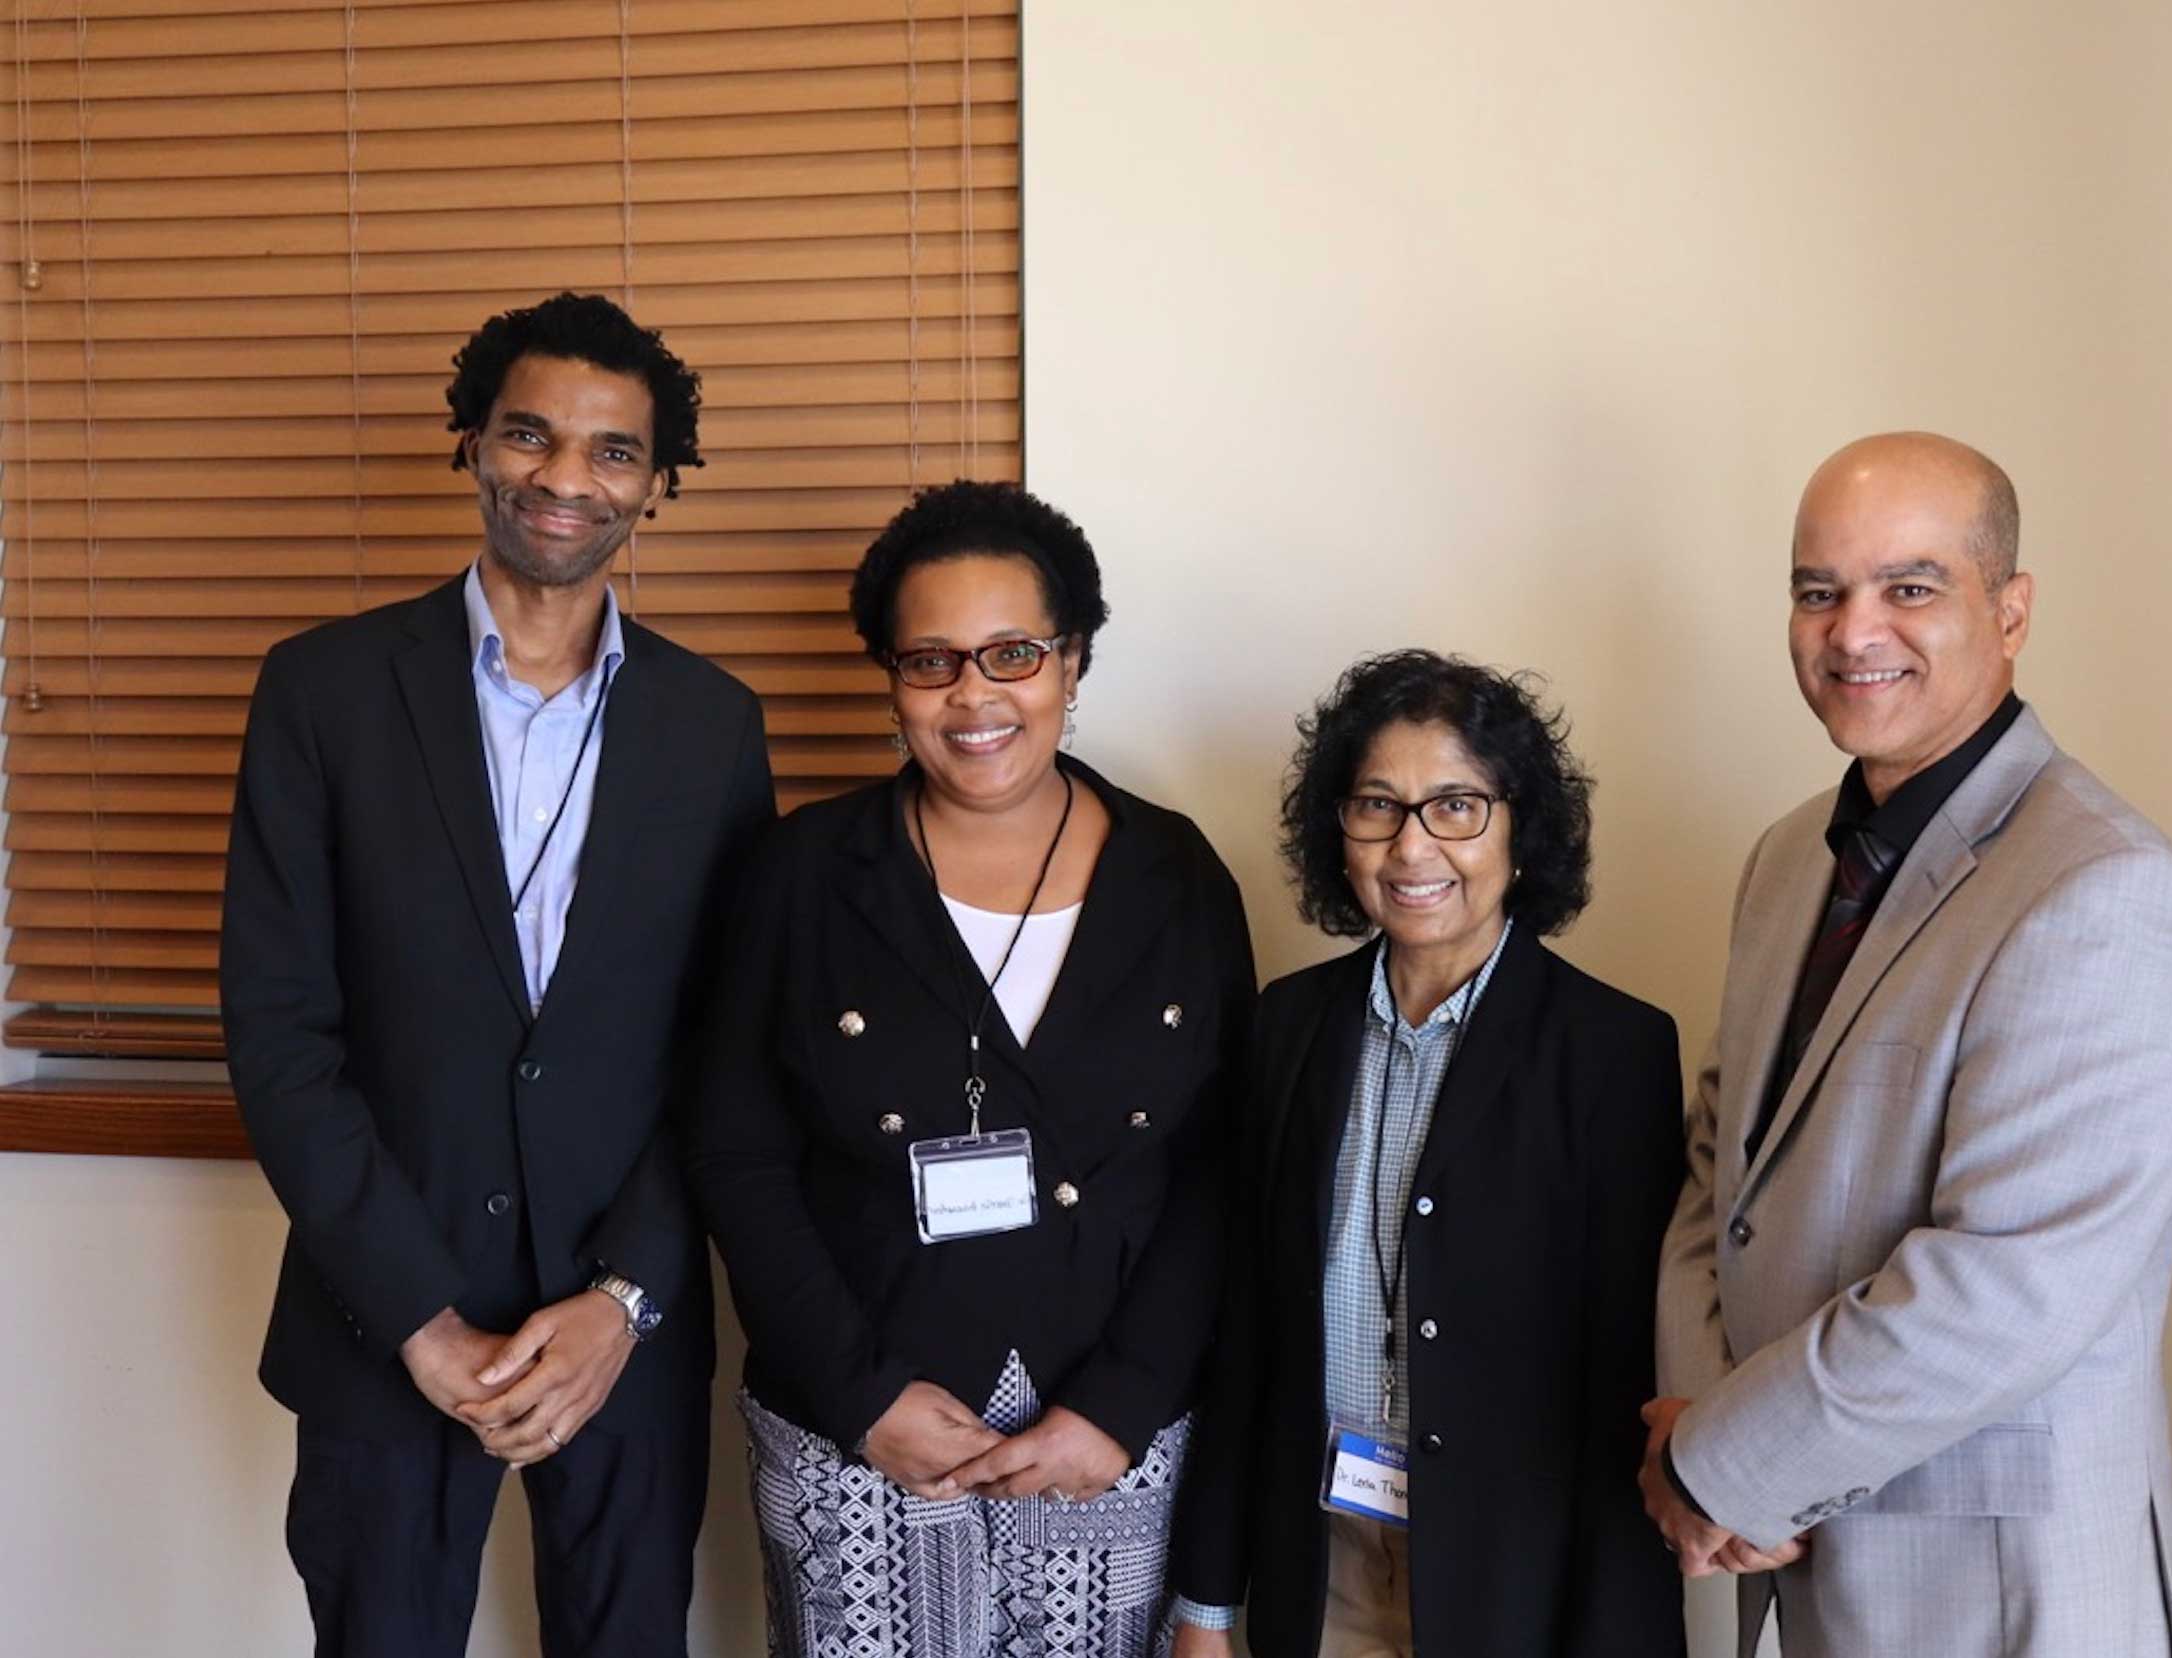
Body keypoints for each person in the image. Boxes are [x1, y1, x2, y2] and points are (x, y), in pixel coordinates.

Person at [221, 291, 776, 1657]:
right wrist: (417, 1320)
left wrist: (627, 1299)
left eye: (611, 451)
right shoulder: (322, 690)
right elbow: (280, 1033)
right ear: (472, 441)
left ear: (656, 485)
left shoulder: (713, 726)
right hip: (383, 1314)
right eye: (530, 434)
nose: (563, 477)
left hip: (620, 1333)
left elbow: (728, 1043)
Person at [1643, 432, 2172, 1657]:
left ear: (2010, 611)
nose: (1854, 630)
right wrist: (1702, 1426)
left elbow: (2006, 1288)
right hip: (1795, 1558)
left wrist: (1719, 1465)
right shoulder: (1783, 860)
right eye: (1819, 590)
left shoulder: (2108, 889)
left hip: (1997, 1596)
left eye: (1911, 586)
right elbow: (1721, 1178)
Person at [684, 479, 1256, 1656]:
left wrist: (1124, 1403)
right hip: (862, 1437)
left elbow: (1219, 1167)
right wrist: (859, 1394)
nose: (974, 695)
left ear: (1073, 660)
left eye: (1012, 652)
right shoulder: (800, 874)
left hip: (1105, 1438)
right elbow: (737, 1156)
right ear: (891, 680)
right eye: (931, 661)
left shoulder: (1178, 874)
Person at [1172, 650, 1685, 1658]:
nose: (1412, 846)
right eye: (1378, 806)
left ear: (1520, 829)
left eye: (1455, 805)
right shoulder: (1287, 1026)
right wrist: (1206, 1604)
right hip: (1316, 1557)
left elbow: (1625, 1377)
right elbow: (1244, 1333)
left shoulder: (1612, 1050)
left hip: (1513, 1579)